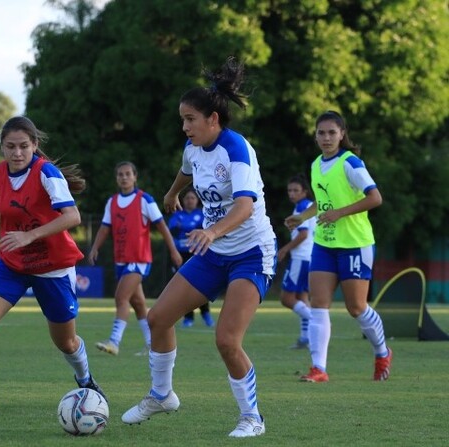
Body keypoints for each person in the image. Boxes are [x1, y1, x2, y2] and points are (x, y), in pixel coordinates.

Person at [121, 57, 277, 438]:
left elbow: (245, 206)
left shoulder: (236, 149)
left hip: (251, 254)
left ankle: (252, 418)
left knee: (226, 340)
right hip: (214, 253)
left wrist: (212, 232)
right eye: (182, 119)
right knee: (158, 319)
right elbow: (187, 170)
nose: (184, 126)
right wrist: (174, 192)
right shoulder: (194, 148)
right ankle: (161, 395)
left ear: (213, 119)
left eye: (190, 119)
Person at [0, 116, 106, 413]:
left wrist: (30, 235)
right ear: (1, 147)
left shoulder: (46, 173)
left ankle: (85, 379)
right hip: (12, 264)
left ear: (34, 145)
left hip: (53, 266)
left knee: (66, 342)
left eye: (23, 146)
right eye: (10, 147)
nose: (17, 153)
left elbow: (72, 216)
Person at [285, 110, 392, 383]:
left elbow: (375, 197)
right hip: (324, 243)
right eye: (321, 133)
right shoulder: (315, 165)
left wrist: (340, 213)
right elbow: (323, 203)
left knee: (356, 308)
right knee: (319, 304)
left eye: (332, 132)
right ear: (315, 136)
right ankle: (318, 369)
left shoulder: (350, 162)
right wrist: (301, 217)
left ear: (342, 134)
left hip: (355, 244)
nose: (326, 138)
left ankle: (382, 352)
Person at [88, 161, 183, 356]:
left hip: (139, 259)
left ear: (134, 177)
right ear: (117, 178)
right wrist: (95, 248)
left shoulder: (144, 200)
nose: (124, 178)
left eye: (127, 174)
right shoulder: (112, 202)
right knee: (138, 304)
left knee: (121, 297)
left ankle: (114, 341)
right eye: (120, 174)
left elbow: (162, 227)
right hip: (121, 260)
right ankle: (152, 344)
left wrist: (173, 250)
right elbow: (105, 228)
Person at [277, 174, 315, 349]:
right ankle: (306, 338)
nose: (291, 194)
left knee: (286, 298)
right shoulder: (308, 207)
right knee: (302, 297)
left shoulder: (302, 208)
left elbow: (303, 234)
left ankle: (316, 321)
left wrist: (285, 249)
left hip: (301, 258)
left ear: (305, 192)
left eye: (295, 190)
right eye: (289, 190)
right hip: (310, 258)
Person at [167, 188, 214, 328]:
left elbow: (204, 229)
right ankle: (188, 317)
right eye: (187, 198)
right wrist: (192, 228)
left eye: (192, 198)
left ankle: (205, 313)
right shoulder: (177, 215)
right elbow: (173, 230)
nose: (189, 200)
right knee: (184, 287)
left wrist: (185, 228)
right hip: (181, 255)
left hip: (198, 253)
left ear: (197, 200)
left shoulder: (202, 215)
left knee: (201, 285)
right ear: (183, 200)